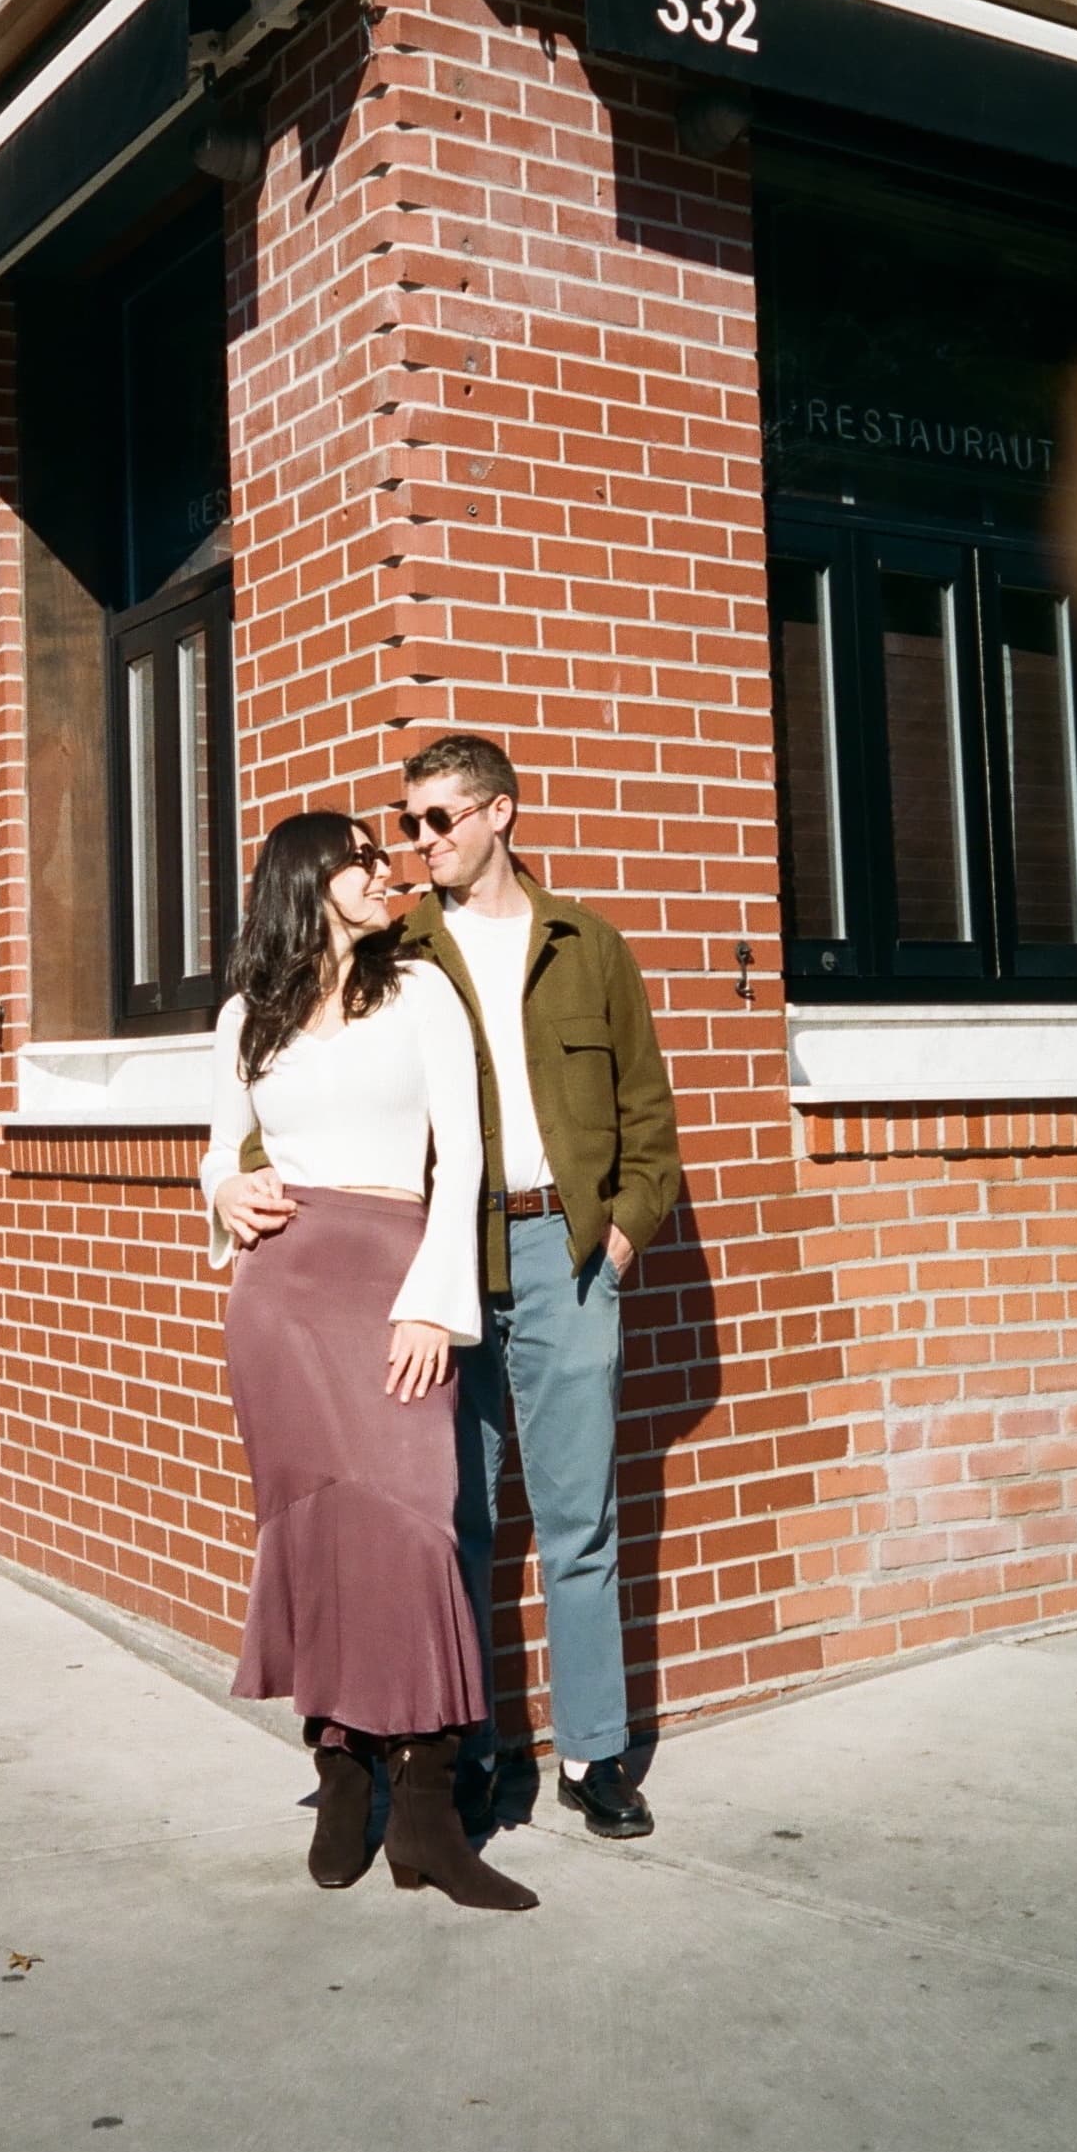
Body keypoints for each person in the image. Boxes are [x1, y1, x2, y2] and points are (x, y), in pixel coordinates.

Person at [201, 809, 539, 1913]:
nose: (380, 871)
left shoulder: (422, 991)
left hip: (396, 1281)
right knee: (321, 1531)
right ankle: (342, 1780)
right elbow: (217, 1151)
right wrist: (224, 1192)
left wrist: (434, 1305)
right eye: (357, 858)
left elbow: (467, 1153)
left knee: (418, 1524)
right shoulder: (245, 1016)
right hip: (280, 1301)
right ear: (306, 879)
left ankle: (431, 1814)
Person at [397, 734, 682, 1838]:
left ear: (499, 814)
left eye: (439, 820)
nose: (421, 845)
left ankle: (593, 1757)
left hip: (562, 1257)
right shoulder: (401, 952)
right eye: (412, 824)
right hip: (447, 1266)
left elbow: (648, 1119)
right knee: (456, 1520)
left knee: (578, 1522)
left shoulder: (587, 946)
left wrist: (616, 1240)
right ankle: (468, 1750)